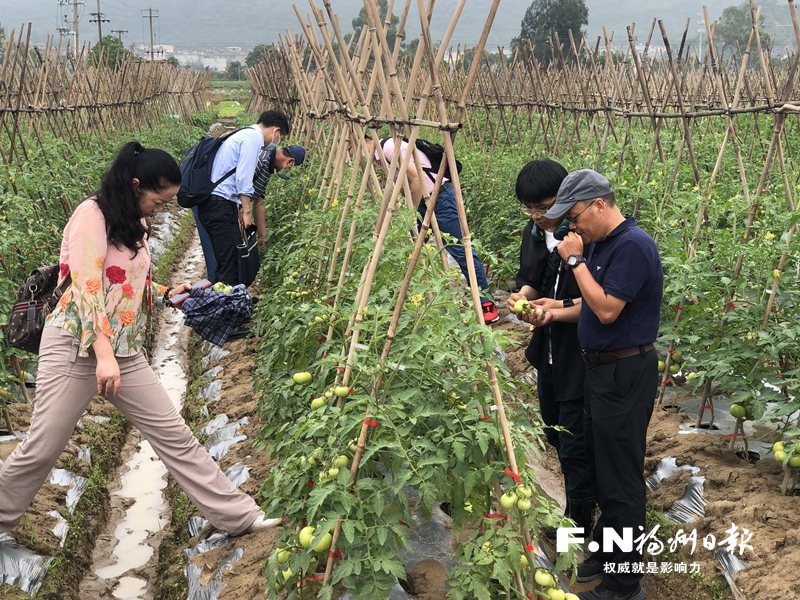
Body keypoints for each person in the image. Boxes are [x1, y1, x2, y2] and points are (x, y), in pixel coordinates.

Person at [0, 142, 278, 539]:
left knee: (174, 435)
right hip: (75, 347)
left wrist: (166, 291)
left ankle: (238, 517)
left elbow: (128, 278)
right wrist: (103, 356)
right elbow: (87, 288)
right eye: (158, 200)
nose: (160, 210)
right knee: (42, 448)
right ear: (135, 185)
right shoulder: (90, 216)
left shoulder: (136, 222)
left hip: (124, 350)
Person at [539, 169, 663, 600]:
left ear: (599, 204)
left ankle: (625, 585)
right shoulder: (605, 244)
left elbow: (608, 309)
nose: (572, 228)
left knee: (621, 482)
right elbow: (591, 305)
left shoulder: (633, 245)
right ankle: (607, 556)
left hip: (625, 373)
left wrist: (574, 262)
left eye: (574, 217)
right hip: (601, 371)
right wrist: (555, 309)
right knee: (600, 466)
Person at [508, 159, 595, 534]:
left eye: (543, 207)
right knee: (554, 433)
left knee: (576, 444)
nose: (537, 215)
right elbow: (530, 279)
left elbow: (597, 304)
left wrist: (553, 312)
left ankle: (578, 524)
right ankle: (577, 513)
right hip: (547, 353)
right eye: (530, 208)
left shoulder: (581, 239)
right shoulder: (534, 232)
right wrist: (522, 298)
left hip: (580, 356)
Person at [376, 136, 498, 323]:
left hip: (438, 198)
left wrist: (412, 214)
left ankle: (486, 302)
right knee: (412, 252)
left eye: (350, 152)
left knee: (460, 249)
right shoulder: (381, 156)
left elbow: (416, 178)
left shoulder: (389, 147)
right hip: (424, 200)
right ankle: (410, 302)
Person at [196, 110, 290, 285]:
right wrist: (246, 211)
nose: (276, 144)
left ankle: (222, 304)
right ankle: (226, 308)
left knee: (224, 260)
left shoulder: (244, 133)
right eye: (280, 140)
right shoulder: (254, 138)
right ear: (276, 131)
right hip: (220, 205)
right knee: (230, 264)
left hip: (214, 203)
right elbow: (243, 176)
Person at [193, 141, 305, 280]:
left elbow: (259, 201)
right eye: (293, 168)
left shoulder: (267, 164)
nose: (289, 171)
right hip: (212, 202)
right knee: (218, 254)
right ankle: (216, 293)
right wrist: (242, 211)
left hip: (223, 205)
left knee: (226, 254)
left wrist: (263, 236)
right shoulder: (259, 159)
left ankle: (223, 290)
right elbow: (239, 183)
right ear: (290, 162)